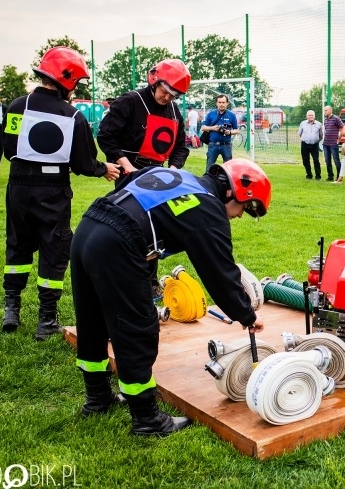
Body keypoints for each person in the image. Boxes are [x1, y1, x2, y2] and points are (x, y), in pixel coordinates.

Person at [71, 159, 269, 436]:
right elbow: (220, 273)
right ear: (230, 192)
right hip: (117, 243)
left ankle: (97, 398)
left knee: (92, 320)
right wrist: (246, 314)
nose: (239, 216)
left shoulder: (180, 178)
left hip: (89, 227)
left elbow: (130, 191)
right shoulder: (208, 208)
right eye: (244, 208)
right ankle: (147, 420)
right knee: (137, 330)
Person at [0, 46, 119, 338]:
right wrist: (103, 168)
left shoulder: (17, 106)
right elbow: (83, 162)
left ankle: (11, 309)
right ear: (67, 79)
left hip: (18, 187)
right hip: (52, 192)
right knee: (54, 250)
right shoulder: (73, 115)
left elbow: (9, 149)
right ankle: (46, 319)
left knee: (17, 244)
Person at [98, 59, 190, 175]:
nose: (167, 98)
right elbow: (105, 136)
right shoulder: (129, 101)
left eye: (173, 95)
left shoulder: (173, 110)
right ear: (155, 83)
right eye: (164, 91)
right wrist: (128, 167)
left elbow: (180, 147)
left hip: (158, 171)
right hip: (129, 171)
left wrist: (172, 170)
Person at [200, 94, 239, 171]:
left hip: (226, 145)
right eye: (220, 102)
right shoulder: (211, 114)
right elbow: (203, 128)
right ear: (216, 103)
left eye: (223, 102)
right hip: (213, 144)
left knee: (229, 169)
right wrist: (213, 128)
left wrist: (229, 132)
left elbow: (236, 130)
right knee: (209, 168)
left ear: (227, 103)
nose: (221, 104)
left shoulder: (231, 115)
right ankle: (208, 179)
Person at [298, 110, 323, 180]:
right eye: (309, 115)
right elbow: (300, 134)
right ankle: (309, 174)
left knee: (316, 160)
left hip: (315, 145)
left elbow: (321, 135)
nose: (310, 116)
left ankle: (318, 175)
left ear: (314, 116)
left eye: (312, 115)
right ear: (307, 116)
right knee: (305, 160)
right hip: (305, 144)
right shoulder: (303, 123)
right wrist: (305, 139)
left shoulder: (319, 124)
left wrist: (315, 140)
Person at [322, 105, 343, 181]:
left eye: (326, 110)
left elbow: (342, 127)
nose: (324, 112)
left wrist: (339, 138)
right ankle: (330, 176)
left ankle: (339, 177)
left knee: (336, 160)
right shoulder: (325, 120)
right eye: (324, 110)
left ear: (330, 110)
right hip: (326, 143)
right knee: (327, 160)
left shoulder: (336, 118)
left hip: (333, 143)